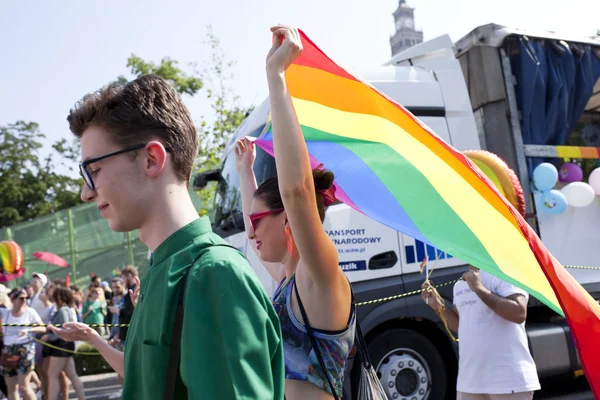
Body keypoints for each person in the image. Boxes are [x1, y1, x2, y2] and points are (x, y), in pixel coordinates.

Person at [48, 73, 285, 399]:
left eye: (94, 170)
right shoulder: (166, 268)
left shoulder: (212, 274)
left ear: (151, 159)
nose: (85, 192)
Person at [233, 25, 356, 400]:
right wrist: (245, 175)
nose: (250, 234)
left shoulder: (318, 274)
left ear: (287, 217)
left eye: (257, 222)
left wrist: (277, 77)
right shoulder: (287, 281)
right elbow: (256, 240)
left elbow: (297, 190)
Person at [422, 266, 540, 400]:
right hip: (469, 383)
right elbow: (462, 324)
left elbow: (519, 312)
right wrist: (437, 306)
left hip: (508, 381)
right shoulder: (460, 284)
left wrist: (479, 288)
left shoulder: (506, 274)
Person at [22, 286, 86, 400]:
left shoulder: (63, 310)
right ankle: (82, 398)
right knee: (72, 375)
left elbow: (65, 329)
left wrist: (49, 336)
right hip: (64, 345)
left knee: (52, 375)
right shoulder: (65, 309)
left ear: (59, 298)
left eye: (55, 297)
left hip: (61, 346)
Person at [0, 289, 43, 400]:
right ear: (12, 299)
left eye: (26, 298)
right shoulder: (6, 313)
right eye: (21, 298)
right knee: (11, 388)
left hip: (25, 349)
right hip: (9, 351)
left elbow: (43, 327)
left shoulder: (30, 312)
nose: (24, 301)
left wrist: (28, 330)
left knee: (24, 386)